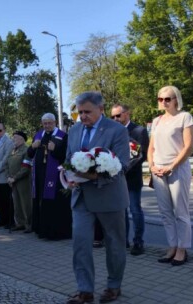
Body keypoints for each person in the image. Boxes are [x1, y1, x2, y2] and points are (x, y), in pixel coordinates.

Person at [66, 92, 129, 304]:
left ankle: (113, 286)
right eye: (79, 112)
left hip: (109, 196)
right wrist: (69, 177)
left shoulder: (117, 130)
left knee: (114, 243)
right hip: (81, 197)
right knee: (81, 244)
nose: (82, 116)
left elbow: (122, 165)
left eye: (87, 112)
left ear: (101, 109)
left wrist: (92, 175)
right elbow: (68, 160)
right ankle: (85, 290)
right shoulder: (74, 130)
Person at [148, 85, 193, 266]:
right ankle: (172, 246)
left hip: (177, 169)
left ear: (176, 99)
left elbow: (188, 146)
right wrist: (152, 166)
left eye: (167, 99)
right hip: (158, 171)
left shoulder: (184, 117)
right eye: (160, 99)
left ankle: (182, 249)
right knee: (165, 213)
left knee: (181, 212)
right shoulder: (157, 121)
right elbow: (151, 148)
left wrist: (171, 166)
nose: (163, 102)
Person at [111, 103, 150, 256]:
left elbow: (142, 155)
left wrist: (125, 167)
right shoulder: (113, 132)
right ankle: (123, 241)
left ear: (127, 114)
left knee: (135, 210)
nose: (115, 119)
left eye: (118, 115)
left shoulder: (138, 131)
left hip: (132, 177)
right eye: (112, 116)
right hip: (117, 178)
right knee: (121, 211)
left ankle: (138, 241)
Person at [27, 113, 72, 240]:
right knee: (40, 202)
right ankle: (41, 230)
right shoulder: (38, 135)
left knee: (54, 204)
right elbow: (30, 154)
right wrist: (32, 146)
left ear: (55, 122)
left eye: (49, 123)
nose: (47, 125)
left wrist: (55, 149)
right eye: (45, 123)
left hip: (56, 176)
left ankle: (56, 232)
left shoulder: (63, 136)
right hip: (40, 175)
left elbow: (66, 156)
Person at [6, 131, 32, 232]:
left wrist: (15, 177)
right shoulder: (13, 150)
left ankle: (29, 224)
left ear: (22, 139)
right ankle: (20, 223)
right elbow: (7, 164)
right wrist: (8, 176)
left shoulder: (27, 150)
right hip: (13, 180)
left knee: (26, 203)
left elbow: (26, 167)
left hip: (23, 181)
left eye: (15, 138)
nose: (13, 140)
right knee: (17, 203)